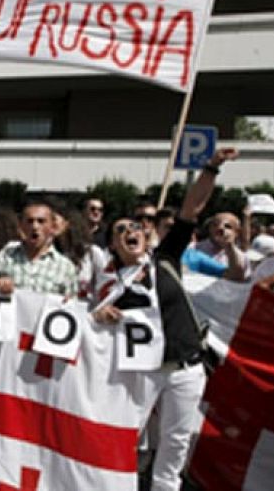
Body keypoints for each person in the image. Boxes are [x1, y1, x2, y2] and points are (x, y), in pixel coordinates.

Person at [93, 147, 239, 491]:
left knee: (176, 441)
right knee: (128, 436)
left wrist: (212, 168)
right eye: (120, 230)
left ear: (146, 236)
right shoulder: (109, 284)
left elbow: (192, 208)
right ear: (113, 244)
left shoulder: (166, 259)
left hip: (186, 367)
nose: (130, 231)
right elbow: (91, 323)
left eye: (135, 227)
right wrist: (100, 315)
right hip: (142, 372)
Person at [0, 201, 78, 297]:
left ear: (52, 227)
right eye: (30, 221)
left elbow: (71, 304)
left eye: (41, 221)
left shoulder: (65, 267)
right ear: (21, 225)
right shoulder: (7, 255)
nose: (35, 226)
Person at [195, 211, 251, 281]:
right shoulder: (194, 249)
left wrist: (229, 247)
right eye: (215, 225)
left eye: (228, 226)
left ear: (237, 232)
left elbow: (240, 281)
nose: (221, 228)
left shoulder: (242, 257)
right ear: (209, 228)